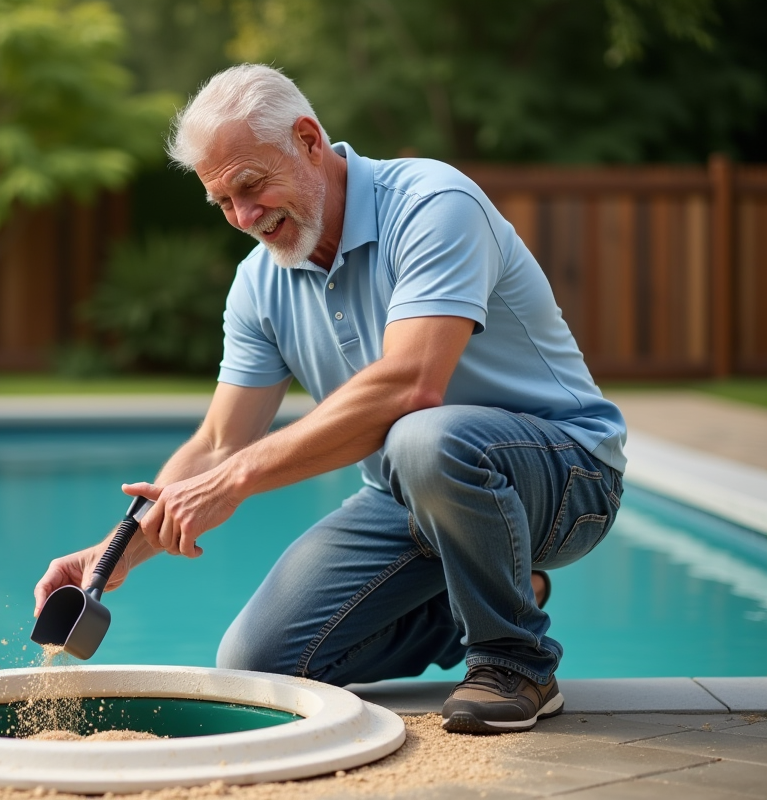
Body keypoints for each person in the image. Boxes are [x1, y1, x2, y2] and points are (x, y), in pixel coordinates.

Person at [33, 64, 625, 734]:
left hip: (565, 478)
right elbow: (220, 442)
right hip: (407, 498)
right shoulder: (260, 284)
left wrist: (235, 481)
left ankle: (516, 661)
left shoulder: (433, 203)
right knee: (254, 666)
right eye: (223, 203)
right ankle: (472, 605)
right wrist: (115, 553)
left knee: (421, 437)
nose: (244, 217)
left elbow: (411, 385)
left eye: (251, 187)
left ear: (309, 140)